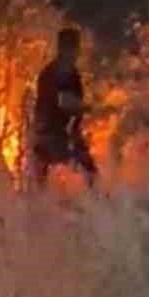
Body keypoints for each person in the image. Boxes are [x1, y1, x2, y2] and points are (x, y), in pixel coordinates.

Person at [32, 27, 98, 188]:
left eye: (76, 47)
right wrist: (88, 108)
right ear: (64, 48)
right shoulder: (54, 72)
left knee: (88, 170)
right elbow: (63, 101)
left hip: (62, 131)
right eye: (73, 47)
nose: (76, 52)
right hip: (50, 132)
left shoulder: (71, 73)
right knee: (84, 169)